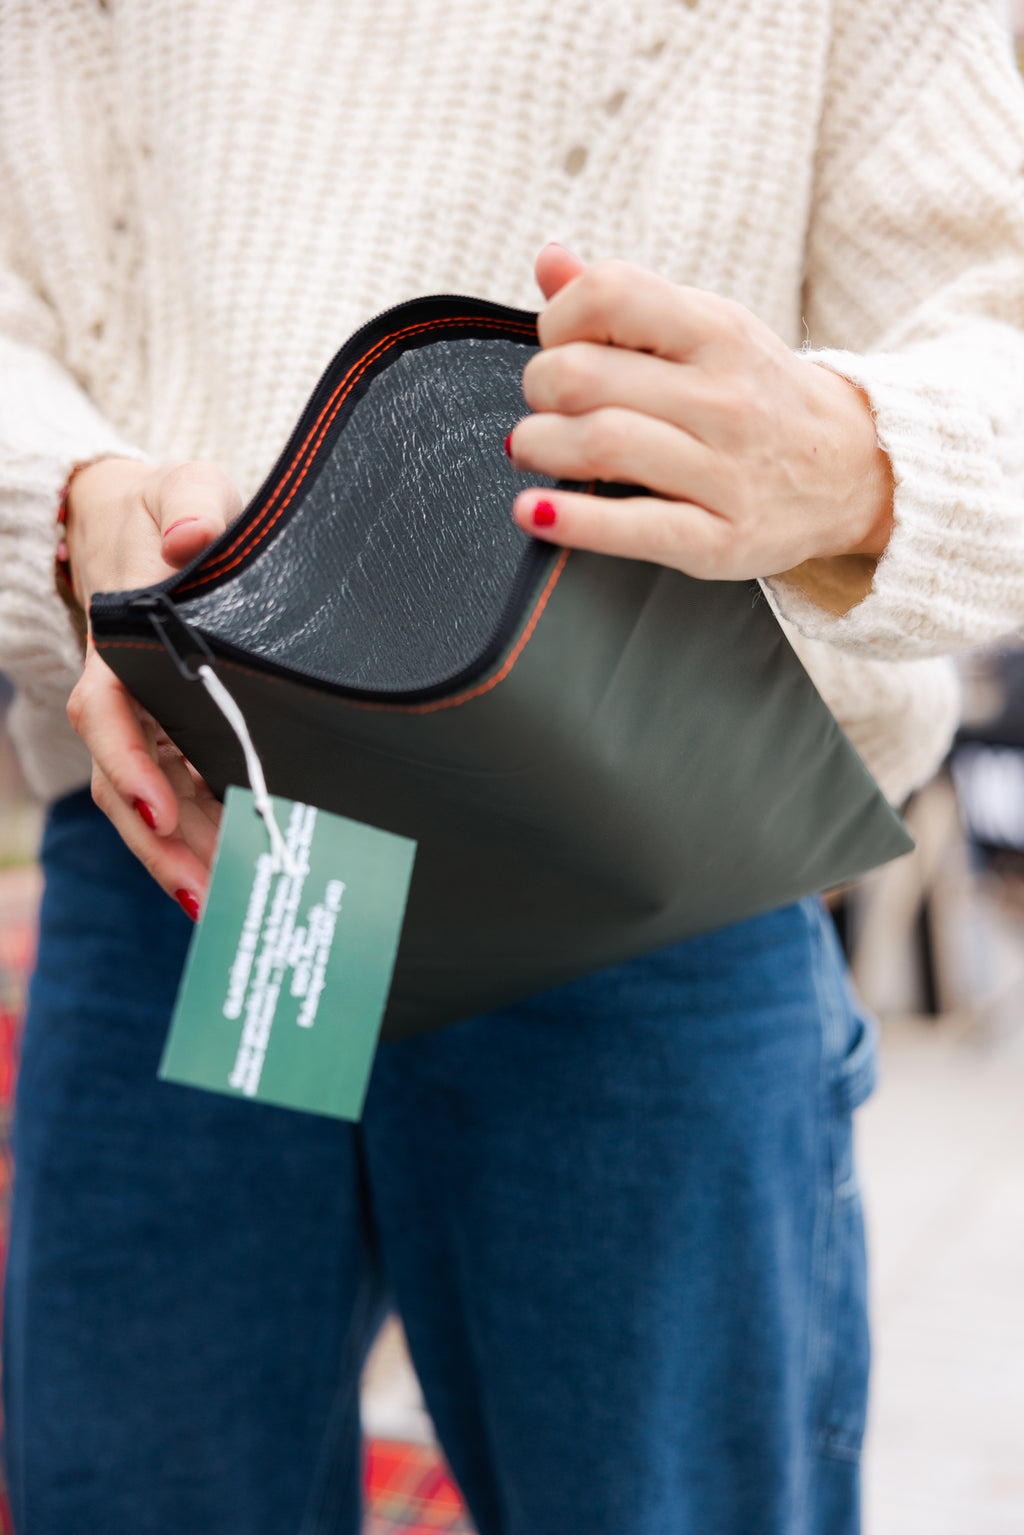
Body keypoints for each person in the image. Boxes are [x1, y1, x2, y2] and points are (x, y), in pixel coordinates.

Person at [2, 3, 1023, 1532]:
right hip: (212, 831)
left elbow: (992, 336)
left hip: (632, 864)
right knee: (149, 1490)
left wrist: (854, 452)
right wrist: (72, 511)